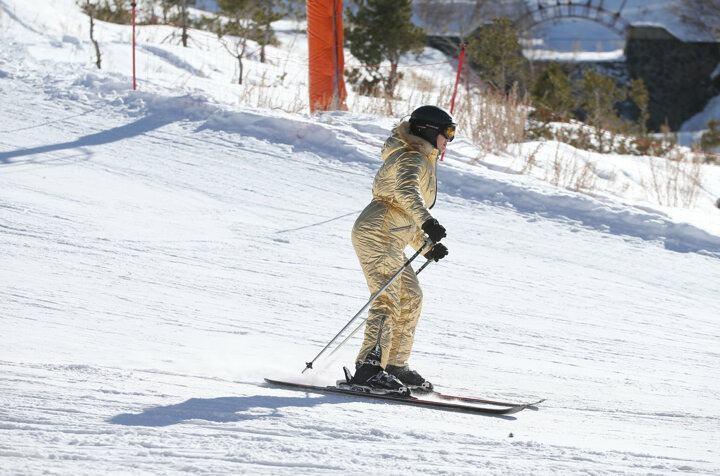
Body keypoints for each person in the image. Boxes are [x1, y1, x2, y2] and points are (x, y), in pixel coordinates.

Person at [349, 105, 454, 392]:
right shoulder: (411, 157)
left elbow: (402, 220)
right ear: (429, 131)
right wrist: (428, 222)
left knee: (411, 297)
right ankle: (369, 367)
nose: (449, 140)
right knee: (388, 298)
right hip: (376, 231)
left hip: (388, 231)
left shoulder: (422, 159)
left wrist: (426, 245)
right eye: (448, 132)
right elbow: (405, 194)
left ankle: (394, 365)